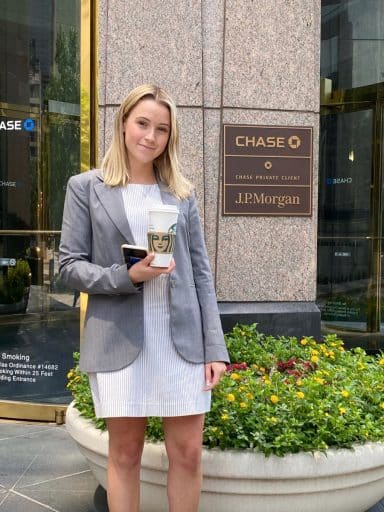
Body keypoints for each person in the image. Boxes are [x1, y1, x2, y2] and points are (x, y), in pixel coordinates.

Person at [59, 84, 229, 512]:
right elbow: (68, 266)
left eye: (162, 129)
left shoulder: (181, 194)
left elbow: (202, 276)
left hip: (182, 343)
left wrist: (216, 347)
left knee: (188, 453)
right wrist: (127, 276)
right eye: (142, 123)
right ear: (123, 123)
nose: (150, 136)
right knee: (125, 454)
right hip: (119, 340)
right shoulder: (85, 187)